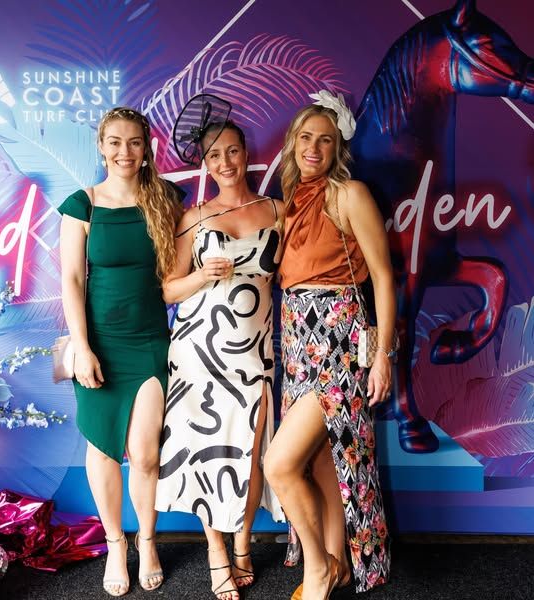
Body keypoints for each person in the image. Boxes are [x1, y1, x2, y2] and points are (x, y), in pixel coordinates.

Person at [264, 91, 393, 599]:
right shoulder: (289, 202)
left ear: (338, 148)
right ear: (292, 142)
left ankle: (317, 569)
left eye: (325, 140)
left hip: (337, 340)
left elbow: (383, 277)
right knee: (323, 461)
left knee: (280, 464)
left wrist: (383, 357)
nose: (313, 148)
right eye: (305, 137)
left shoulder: (349, 194)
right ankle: (336, 565)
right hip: (298, 340)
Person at [156, 119, 285, 600]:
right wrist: (202, 275)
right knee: (204, 453)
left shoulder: (278, 210)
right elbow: (169, 288)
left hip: (254, 351)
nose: (225, 162)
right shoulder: (193, 217)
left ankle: (244, 544)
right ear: (205, 164)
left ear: (246, 154)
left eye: (232, 151)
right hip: (198, 352)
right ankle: (216, 550)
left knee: (250, 453)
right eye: (214, 155)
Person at [58, 107, 182, 597]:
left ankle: (147, 541)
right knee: (103, 447)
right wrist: (82, 347)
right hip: (99, 344)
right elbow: (71, 280)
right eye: (115, 142)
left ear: (146, 148)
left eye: (134, 142)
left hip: (150, 339)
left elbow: (178, 270)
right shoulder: (82, 204)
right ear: (101, 146)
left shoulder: (167, 199)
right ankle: (116, 543)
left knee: (146, 452)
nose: (124, 152)